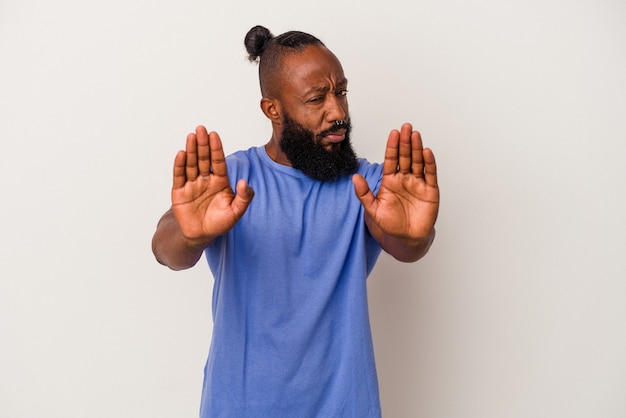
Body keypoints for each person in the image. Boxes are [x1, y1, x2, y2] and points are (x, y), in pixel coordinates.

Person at [152, 25, 439, 418]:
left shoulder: (370, 186)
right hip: (239, 407)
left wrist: (417, 236)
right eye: (316, 98)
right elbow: (166, 250)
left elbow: (406, 244)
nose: (337, 112)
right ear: (273, 109)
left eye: (340, 92)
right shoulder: (229, 179)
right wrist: (189, 234)